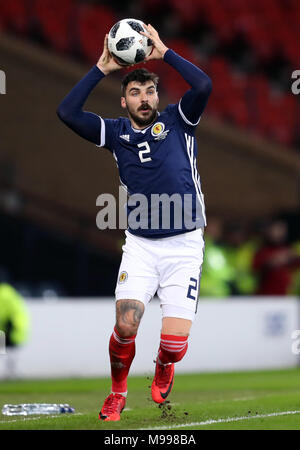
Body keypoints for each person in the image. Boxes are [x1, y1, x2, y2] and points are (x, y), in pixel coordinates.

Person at [57, 24, 212, 421]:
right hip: (141, 246)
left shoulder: (180, 120)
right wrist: (99, 69)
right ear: (123, 101)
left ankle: (164, 363)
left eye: (149, 91)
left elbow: (204, 85)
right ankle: (117, 392)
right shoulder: (115, 132)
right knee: (126, 326)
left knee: (175, 344)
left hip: (184, 245)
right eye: (135, 93)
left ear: (158, 96)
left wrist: (165, 53)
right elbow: (67, 113)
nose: (144, 98)